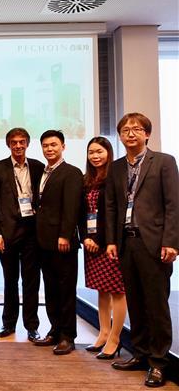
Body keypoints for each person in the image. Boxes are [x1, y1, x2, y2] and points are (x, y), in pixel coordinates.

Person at [106, 113, 178, 388]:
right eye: (125, 130)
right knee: (135, 302)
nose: (130, 133)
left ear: (147, 134)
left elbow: (173, 204)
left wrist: (171, 241)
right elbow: (111, 206)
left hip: (155, 243)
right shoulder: (116, 167)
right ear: (120, 136)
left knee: (156, 305)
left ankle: (158, 363)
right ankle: (140, 353)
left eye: (136, 129)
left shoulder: (164, 162)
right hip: (127, 242)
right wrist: (112, 241)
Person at [0, 128, 43, 342]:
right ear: (8, 144)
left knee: (31, 282)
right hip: (7, 233)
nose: (18, 146)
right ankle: (8, 324)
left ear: (27, 143)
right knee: (10, 280)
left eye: (21, 142)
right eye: (14, 142)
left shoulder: (38, 167)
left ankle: (32, 326)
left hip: (32, 232)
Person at [33, 130, 83, 355]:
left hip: (62, 242)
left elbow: (72, 207)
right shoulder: (43, 172)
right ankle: (54, 330)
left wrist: (65, 235)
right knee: (51, 289)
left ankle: (67, 336)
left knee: (65, 290)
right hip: (44, 241)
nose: (49, 149)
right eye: (45, 145)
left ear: (63, 146)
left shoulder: (71, 173)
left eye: (53, 145)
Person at [79, 137, 126, 359]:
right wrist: (85, 238)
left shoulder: (115, 178)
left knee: (117, 290)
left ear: (108, 153)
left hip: (109, 244)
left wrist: (101, 239)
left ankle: (115, 338)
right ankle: (103, 333)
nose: (95, 156)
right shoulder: (86, 180)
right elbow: (81, 213)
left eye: (99, 151)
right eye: (91, 152)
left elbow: (113, 214)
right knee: (101, 289)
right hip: (90, 243)